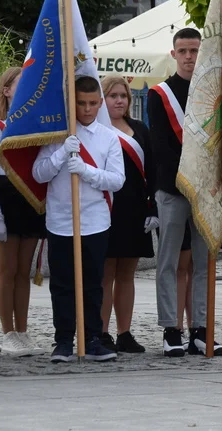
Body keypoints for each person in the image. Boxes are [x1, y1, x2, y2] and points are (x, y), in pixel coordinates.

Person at [34, 75, 124, 363]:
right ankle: (63, 340)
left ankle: (94, 338)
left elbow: (117, 180)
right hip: (61, 220)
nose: (87, 109)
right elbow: (39, 174)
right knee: (61, 284)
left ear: (100, 104)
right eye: (81, 103)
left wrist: (86, 171)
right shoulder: (56, 134)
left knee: (93, 283)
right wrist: (61, 152)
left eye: (92, 103)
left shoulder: (109, 137)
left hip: (95, 220)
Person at [148, 28, 222, 357]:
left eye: (195, 50)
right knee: (168, 260)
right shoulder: (159, 94)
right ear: (174, 54)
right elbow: (160, 146)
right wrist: (186, 177)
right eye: (184, 51)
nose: (190, 56)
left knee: (204, 262)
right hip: (173, 187)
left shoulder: (213, 91)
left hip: (206, 190)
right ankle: (170, 329)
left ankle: (201, 329)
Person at [0, 66, 44, 357]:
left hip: (29, 195)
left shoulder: (33, 123)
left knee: (24, 270)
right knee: (7, 268)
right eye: (18, 85)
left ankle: (22, 330)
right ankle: (7, 330)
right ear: (6, 90)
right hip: (6, 196)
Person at [98, 75, 156, 354]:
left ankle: (124, 332)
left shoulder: (140, 129)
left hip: (135, 209)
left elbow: (152, 170)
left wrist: (153, 207)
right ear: (102, 99)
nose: (119, 100)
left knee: (127, 274)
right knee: (105, 273)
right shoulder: (96, 130)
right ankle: (101, 332)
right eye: (113, 96)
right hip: (107, 208)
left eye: (123, 96)